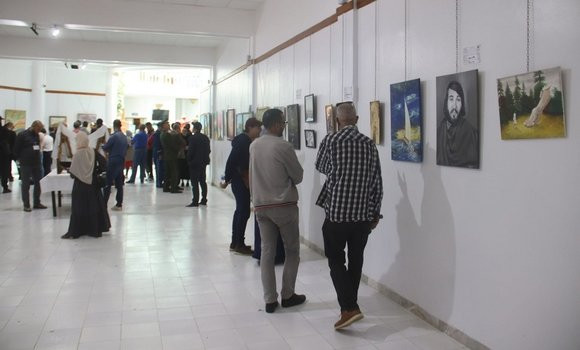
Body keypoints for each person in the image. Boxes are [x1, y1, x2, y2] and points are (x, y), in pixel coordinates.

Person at [315, 102, 383, 330]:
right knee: (356, 261)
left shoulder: (331, 141)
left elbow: (321, 167)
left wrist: (339, 171)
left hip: (336, 213)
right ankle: (350, 307)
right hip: (362, 215)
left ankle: (349, 308)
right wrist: (375, 212)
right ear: (357, 119)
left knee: (335, 260)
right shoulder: (369, 144)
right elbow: (376, 182)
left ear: (337, 121)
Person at [249, 109, 305, 313]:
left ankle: (270, 300)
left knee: (267, 252)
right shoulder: (283, 146)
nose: (284, 126)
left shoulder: (254, 145)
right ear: (274, 124)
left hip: (261, 206)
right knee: (292, 250)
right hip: (283, 206)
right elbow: (298, 176)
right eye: (282, 122)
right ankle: (288, 295)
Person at [221, 117, 262, 255]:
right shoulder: (244, 141)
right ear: (250, 127)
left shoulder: (244, 140)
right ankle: (239, 243)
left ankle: (236, 242)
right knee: (243, 212)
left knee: (241, 211)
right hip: (240, 180)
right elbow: (232, 160)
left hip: (240, 179)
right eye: (258, 128)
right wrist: (227, 179)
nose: (260, 131)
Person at [61, 132, 111, 239]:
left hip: (80, 186)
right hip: (93, 185)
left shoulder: (77, 154)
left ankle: (78, 230)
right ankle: (94, 229)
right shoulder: (92, 151)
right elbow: (104, 164)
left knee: (79, 208)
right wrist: (95, 172)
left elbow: (73, 174)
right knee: (93, 207)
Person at [436, 80, 479, 168]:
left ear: (462, 104)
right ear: (446, 102)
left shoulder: (470, 132)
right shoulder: (440, 130)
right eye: (451, 99)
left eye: (458, 100)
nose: (454, 106)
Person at [13, 120, 47, 211]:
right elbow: (16, 149)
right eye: (38, 129)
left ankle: (37, 202)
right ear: (34, 126)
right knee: (26, 184)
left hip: (36, 162)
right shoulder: (22, 135)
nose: (39, 131)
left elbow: (37, 145)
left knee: (39, 182)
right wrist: (19, 159)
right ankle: (26, 204)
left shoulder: (36, 135)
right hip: (25, 163)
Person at [102, 119, 128, 211]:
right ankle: (119, 204)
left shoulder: (114, 136)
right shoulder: (124, 136)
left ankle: (104, 204)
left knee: (108, 183)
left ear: (114, 126)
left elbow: (106, 147)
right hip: (121, 160)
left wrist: (101, 145)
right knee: (119, 183)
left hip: (113, 160)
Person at [186, 122, 210, 207]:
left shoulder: (193, 138)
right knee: (203, 181)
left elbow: (190, 151)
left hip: (194, 163)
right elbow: (208, 150)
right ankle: (204, 199)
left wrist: (188, 160)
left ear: (195, 128)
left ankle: (195, 201)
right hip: (203, 163)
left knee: (195, 183)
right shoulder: (205, 138)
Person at [161, 122, 185, 193]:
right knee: (174, 172)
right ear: (163, 126)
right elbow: (172, 145)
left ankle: (166, 187)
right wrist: (179, 149)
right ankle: (173, 188)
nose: (168, 126)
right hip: (171, 155)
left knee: (168, 172)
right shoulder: (167, 135)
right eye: (167, 125)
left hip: (168, 155)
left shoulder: (164, 134)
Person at [0, 121, 16, 193]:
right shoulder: (8, 132)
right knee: (5, 170)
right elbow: (12, 143)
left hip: (5, 153)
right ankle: (5, 187)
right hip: (5, 154)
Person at [152, 121, 165, 188]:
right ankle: (159, 183)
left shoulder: (159, 133)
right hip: (158, 154)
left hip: (159, 154)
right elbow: (157, 145)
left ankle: (160, 182)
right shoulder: (157, 134)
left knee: (160, 169)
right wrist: (159, 153)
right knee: (158, 169)